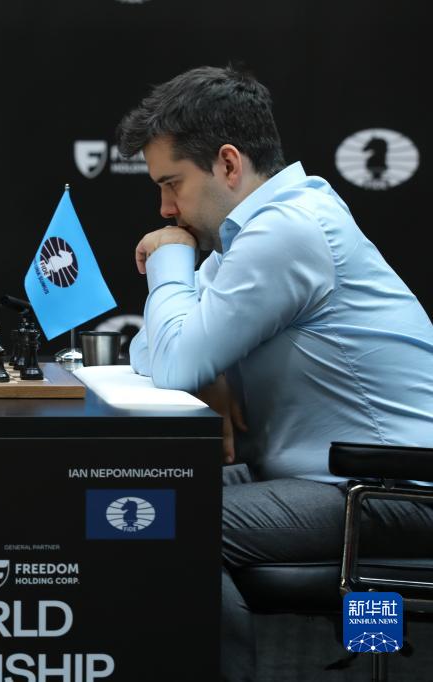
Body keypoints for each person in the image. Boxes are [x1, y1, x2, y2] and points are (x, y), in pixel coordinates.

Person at [116, 65, 433, 681]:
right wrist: (199, 355)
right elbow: (152, 354)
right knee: (138, 503)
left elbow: (176, 359)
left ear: (228, 164)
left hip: (394, 490)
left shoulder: (287, 230)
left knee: (168, 521)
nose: (166, 208)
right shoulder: (258, 232)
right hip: (342, 479)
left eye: (172, 184)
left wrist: (171, 258)